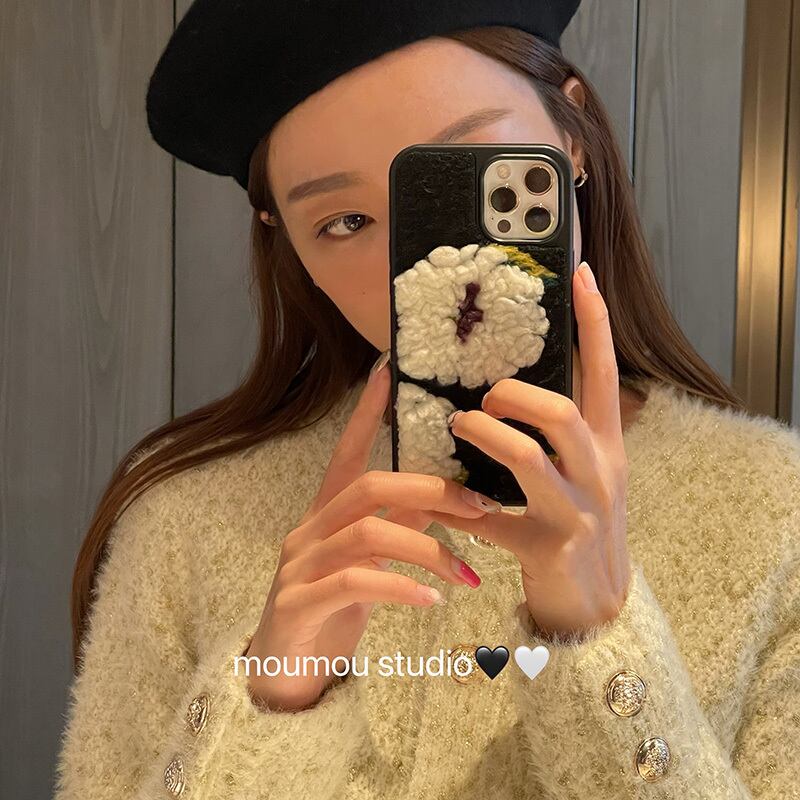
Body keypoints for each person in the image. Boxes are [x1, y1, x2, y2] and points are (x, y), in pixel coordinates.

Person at [55, 4, 800, 799]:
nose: (424, 264)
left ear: (571, 140)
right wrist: (273, 703)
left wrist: (603, 648)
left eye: (465, 177)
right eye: (347, 220)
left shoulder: (775, 513)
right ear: (285, 237)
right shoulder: (185, 523)